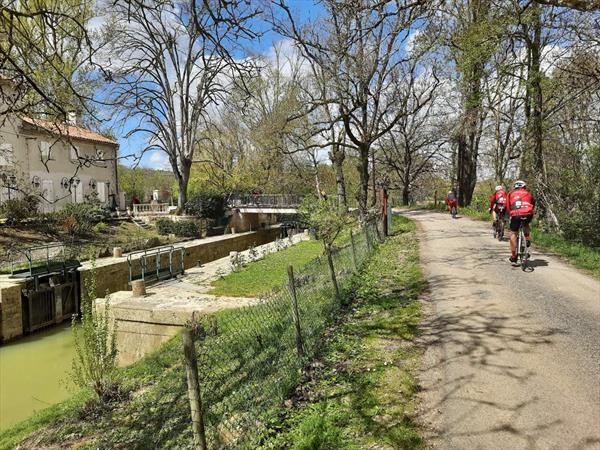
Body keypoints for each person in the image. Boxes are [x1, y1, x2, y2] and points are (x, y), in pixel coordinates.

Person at [507, 180, 535, 263]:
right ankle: (526, 238)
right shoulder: (528, 193)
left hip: (515, 214)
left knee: (513, 233)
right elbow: (533, 204)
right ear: (524, 187)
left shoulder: (510, 194)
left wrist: (510, 214)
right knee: (526, 224)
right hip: (528, 213)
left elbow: (508, 207)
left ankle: (514, 256)